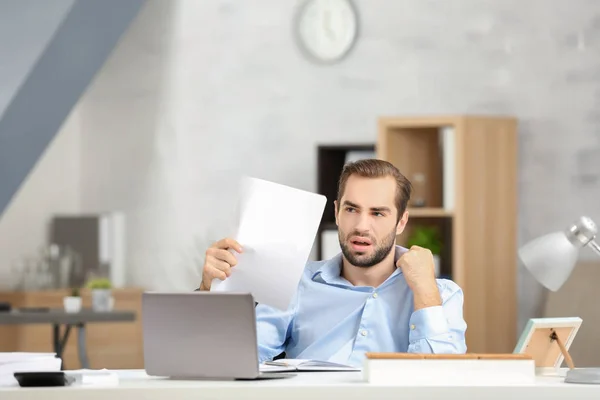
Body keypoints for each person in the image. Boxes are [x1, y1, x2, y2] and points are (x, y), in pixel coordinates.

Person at [199, 159, 467, 367]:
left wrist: (424, 291)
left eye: (377, 213)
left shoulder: (440, 295)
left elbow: (442, 383)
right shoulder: (296, 281)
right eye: (352, 209)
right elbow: (234, 359)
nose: (362, 226)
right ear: (337, 212)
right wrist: (212, 292)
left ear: (401, 222)